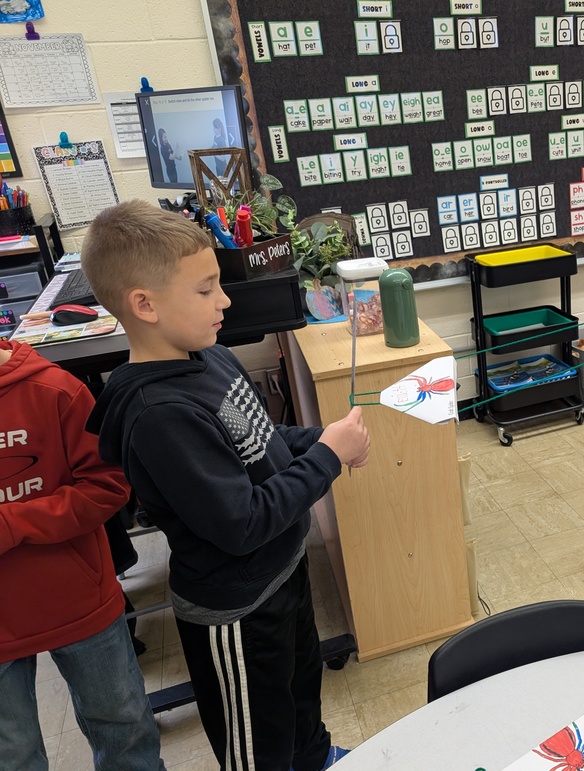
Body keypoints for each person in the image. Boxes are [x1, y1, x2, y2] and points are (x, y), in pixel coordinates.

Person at [81, 201, 371, 771]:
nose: (225, 301)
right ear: (145, 305)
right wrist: (328, 458)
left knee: (301, 698)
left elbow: (260, 437)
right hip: (237, 611)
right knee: (259, 744)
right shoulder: (160, 415)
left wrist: (319, 440)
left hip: (283, 571)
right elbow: (243, 522)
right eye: (206, 289)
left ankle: (315, 759)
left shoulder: (207, 356)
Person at [0, 339, 165, 770]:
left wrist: (14, 523)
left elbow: (109, 486)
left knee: (124, 730)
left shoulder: (56, 390)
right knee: (12, 756)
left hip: (78, 600)